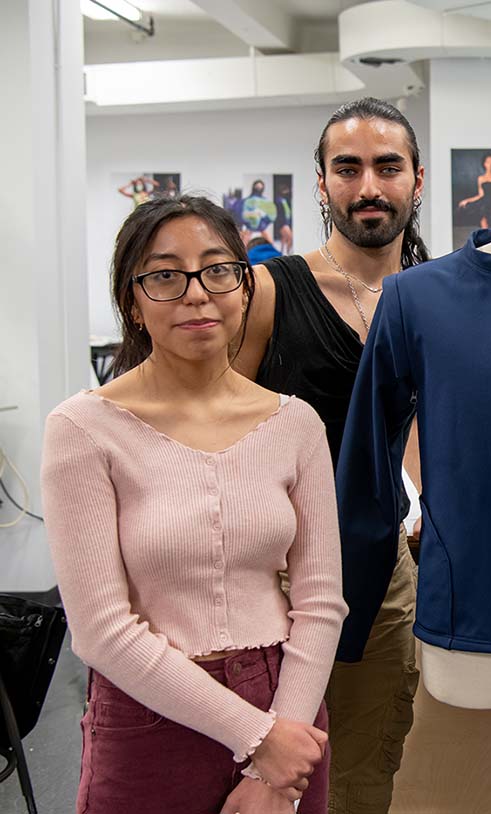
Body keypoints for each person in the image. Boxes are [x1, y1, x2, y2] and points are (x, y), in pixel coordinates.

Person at [41, 195, 345, 814]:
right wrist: (258, 739)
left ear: (243, 287)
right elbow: (101, 631)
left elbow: (321, 601)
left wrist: (277, 757)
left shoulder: (296, 425)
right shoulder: (85, 427)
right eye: (164, 275)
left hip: (285, 699)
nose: (196, 292)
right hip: (150, 711)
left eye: (217, 269)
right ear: (133, 299)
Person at [233, 96, 429, 814]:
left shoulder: (437, 295)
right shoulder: (267, 291)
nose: (368, 186)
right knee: (260, 759)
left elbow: (429, 425)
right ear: (321, 183)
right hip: (272, 576)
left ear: (417, 179)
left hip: (384, 573)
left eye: (387, 167)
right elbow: (219, 425)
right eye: (347, 168)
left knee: (365, 763)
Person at [456, 152, 491, 229]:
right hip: (485, 203)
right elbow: (480, 195)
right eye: (488, 162)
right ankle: (486, 237)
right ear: (484, 164)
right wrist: (467, 200)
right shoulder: (480, 178)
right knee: (482, 214)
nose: (490, 164)